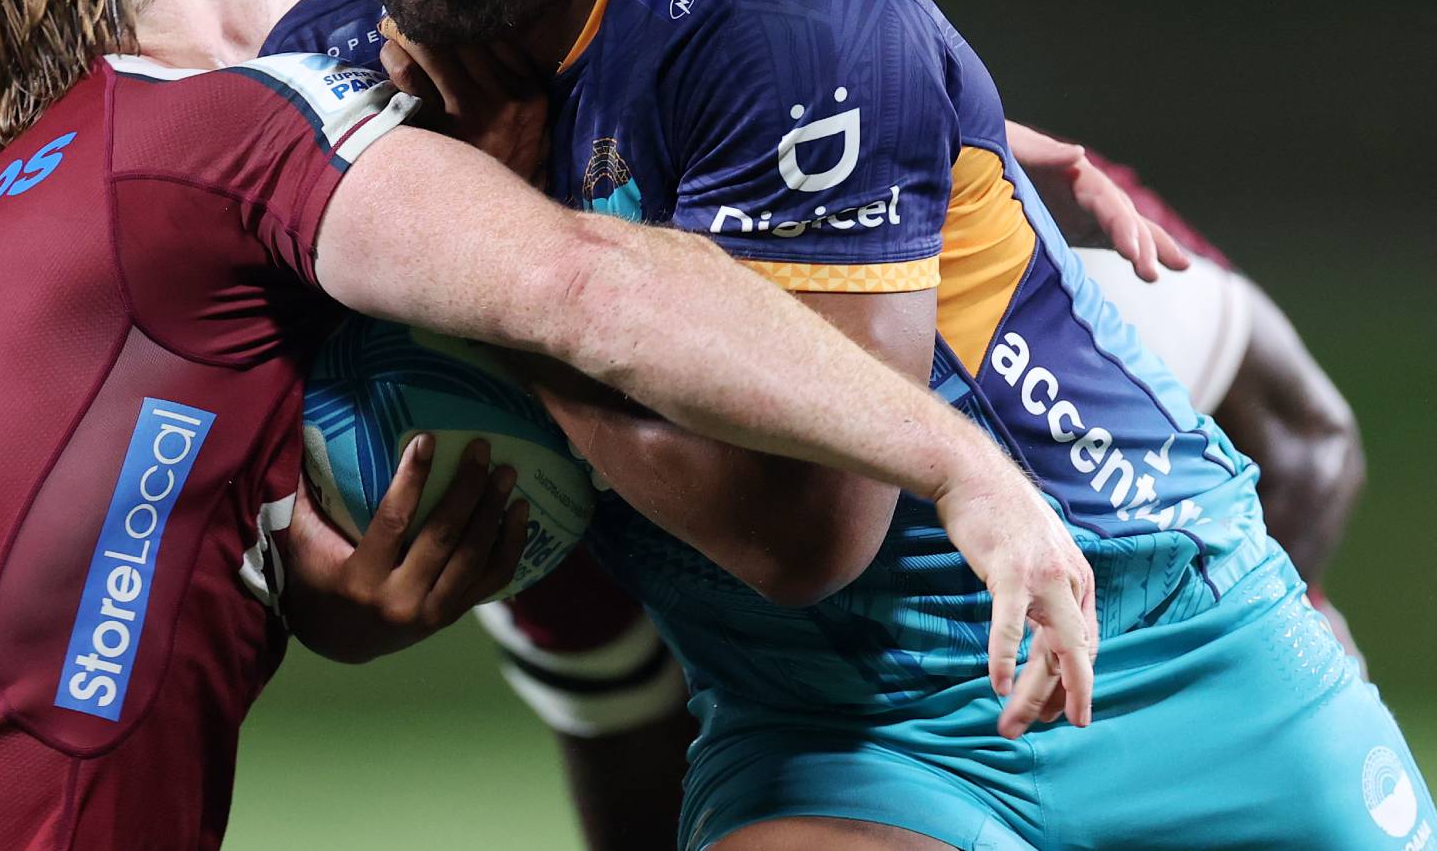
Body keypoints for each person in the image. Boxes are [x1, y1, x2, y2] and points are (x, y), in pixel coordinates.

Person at [264, 0, 1437, 850]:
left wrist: (497, 262)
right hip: (842, 736)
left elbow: (804, 532)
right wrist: (304, 586)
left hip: (1164, 648)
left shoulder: (781, 21)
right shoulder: (332, 69)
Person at [0, 0, 1093, 851]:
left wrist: (296, 581)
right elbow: (588, 285)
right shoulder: (221, 134)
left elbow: (85, 527)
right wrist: (956, 462)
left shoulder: (1, 219)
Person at [467, 128, 1372, 851]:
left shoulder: (1036, 293)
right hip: (822, 735)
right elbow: (631, 763)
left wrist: (1208, 656)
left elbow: (1306, 436)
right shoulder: (527, 500)